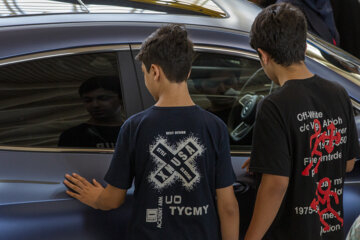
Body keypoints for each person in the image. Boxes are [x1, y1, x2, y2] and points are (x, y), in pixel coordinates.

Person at [63, 24, 239, 240]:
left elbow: (113, 199)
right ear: (188, 72)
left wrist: (95, 197)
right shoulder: (215, 126)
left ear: (154, 71)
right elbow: (228, 205)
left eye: (144, 73)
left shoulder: (135, 126)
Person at [242, 3, 359, 240]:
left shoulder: (274, 106)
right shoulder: (338, 93)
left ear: (263, 56)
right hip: (331, 231)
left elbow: (276, 184)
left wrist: (251, 237)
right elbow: (347, 164)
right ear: (305, 47)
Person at [58, 76, 123, 148]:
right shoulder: (73, 135)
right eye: (88, 100)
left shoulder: (133, 130)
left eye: (103, 98)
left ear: (121, 99)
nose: (95, 105)